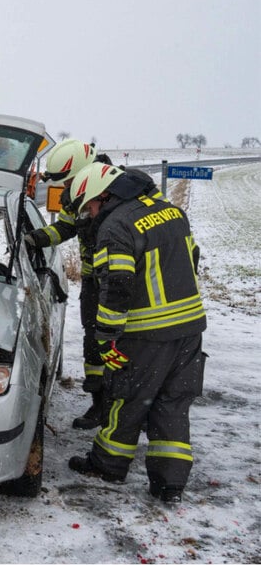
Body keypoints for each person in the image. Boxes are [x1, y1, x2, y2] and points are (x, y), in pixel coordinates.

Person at [66, 162, 206, 504]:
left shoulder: (116, 227)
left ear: (105, 194)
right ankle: (169, 482)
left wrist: (105, 335)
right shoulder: (171, 212)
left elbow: (117, 285)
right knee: (172, 404)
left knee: (126, 398)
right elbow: (193, 258)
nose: (89, 214)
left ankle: (107, 465)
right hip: (189, 328)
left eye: (90, 205)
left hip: (146, 333)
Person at [25, 139, 163, 430]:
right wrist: (36, 239)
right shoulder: (73, 196)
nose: (68, 189)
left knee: (129, 342)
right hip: (93, 279)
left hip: (127, 279)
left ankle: (136, 403)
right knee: (95, 342)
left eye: (70, 181)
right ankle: (100, 402)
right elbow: (65, 227)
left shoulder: (125, 190)